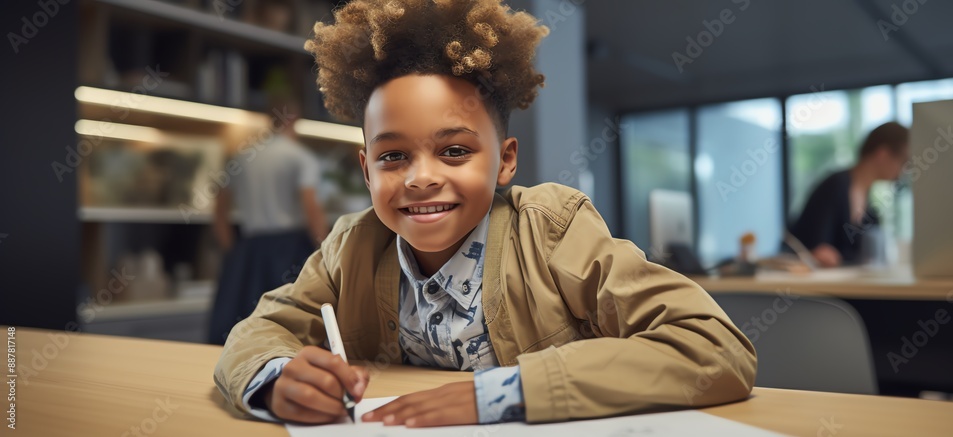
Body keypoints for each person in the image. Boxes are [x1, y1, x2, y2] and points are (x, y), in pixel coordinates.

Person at [214, 0, 756, 427]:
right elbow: (258, 332)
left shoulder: (550, 230)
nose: (421, 176)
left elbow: (714, 346)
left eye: (454, 151)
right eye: (392, 156)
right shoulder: (350, 246)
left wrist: (503, 394)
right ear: (366, 168)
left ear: (505, 161)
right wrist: (275, 377)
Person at [207, 95, 329, 345]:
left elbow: (219, 209)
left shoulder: (242, 157)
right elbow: (310, 206)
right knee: (290, 326)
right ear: (293, 119)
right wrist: (325, 249)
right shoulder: (299, 157)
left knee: (243, 326)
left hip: (249, 250)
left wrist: (232, 250)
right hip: (290, 249)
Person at [789, 122, 909, 267]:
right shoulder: (835, 186)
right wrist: (819, 253)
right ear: (882, 154)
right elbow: (814, 248)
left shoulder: (870, 207)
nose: (902, 171)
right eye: (903, 162)